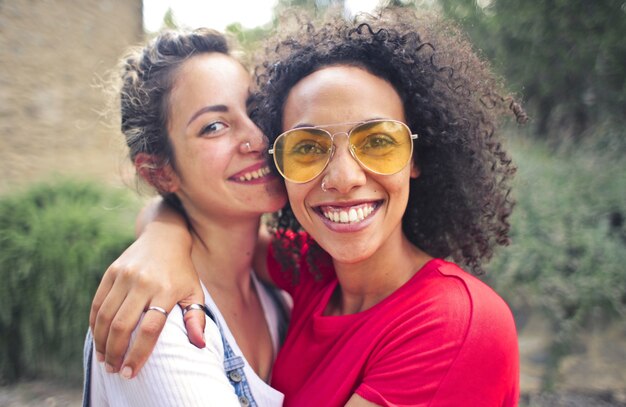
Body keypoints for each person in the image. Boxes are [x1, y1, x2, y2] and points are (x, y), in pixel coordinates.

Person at [91, 8, 526, 406]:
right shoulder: (313, 274)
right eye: (309, 146)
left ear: (416, 157)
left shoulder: (457, 324)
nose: (343, 178)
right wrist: (161, 233)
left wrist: (160, 235)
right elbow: (227, 247)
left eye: (377, 141)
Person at [84, 28, 288, 406]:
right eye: (213, 126)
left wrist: (162, 229)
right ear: (159, 173)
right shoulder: (157, 326)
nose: (259, 138)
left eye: (256, 110)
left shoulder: (279, 290)